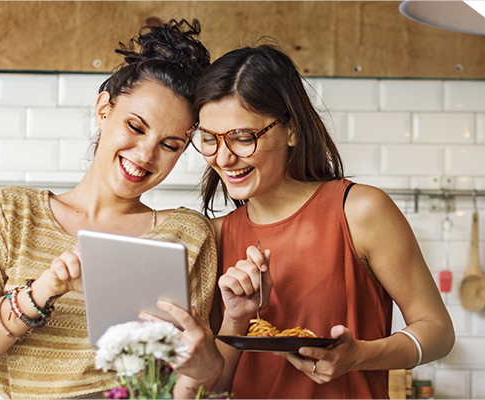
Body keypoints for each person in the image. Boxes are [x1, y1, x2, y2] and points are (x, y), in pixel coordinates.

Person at [0, 20, 223, 399]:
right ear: (103, 108)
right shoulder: (14, 212)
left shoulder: (188, 235)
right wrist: (42, 290)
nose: (145, 155)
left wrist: (204, 360)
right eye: (135, 126)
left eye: (170, 145)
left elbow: (188, 380)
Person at [191, 44, 455, 398]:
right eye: (209, 139)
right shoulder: (215, 235)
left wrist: (360, 355)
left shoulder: (359, 211)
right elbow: (214, 388)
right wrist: (235, 320)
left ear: (291, 130)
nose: (223, 157)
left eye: (243, 138)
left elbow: (438, 332)